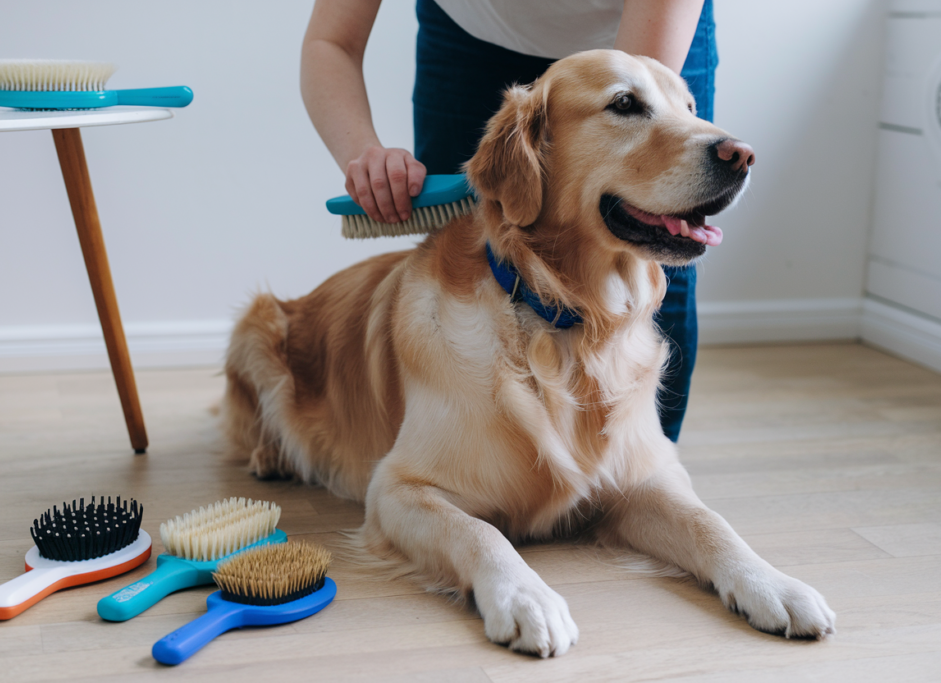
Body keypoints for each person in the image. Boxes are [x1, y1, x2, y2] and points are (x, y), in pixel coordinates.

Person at [301, 0, 717, 442]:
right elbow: (332, 42)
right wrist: (362, 153)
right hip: (469, 30)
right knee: (456, 276)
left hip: (647, 21)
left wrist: (632, 115)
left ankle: (624, 480)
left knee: (643, 278)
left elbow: (638, 99)